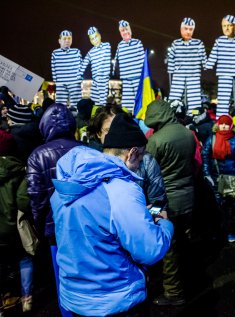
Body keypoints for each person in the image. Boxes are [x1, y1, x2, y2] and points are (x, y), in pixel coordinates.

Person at [50, 113, 173, 316]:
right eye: (140, 158)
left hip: (75, 296)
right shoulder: (121, 189)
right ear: (132, 153)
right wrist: (165, 225)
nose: (140, 164)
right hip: (115, 297)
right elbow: (150, 249)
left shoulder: (65, 185)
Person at [26, 103, 81, 317]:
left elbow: (36, 199)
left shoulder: (37, 155)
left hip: (55, 230)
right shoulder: (86, 150)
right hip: (85, 225)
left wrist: (41, 228)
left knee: (63, 281)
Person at [145, 100, 196, 306]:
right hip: (189, 195)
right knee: (185, 240)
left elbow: (148, 172)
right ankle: (189, 281)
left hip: (164, 201)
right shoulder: (187, 133)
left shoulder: (155, 140)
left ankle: (174, 292)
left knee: (168, 247)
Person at [0, 130, 34, 313]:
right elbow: (23, 201)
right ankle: (26, 297)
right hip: (14, 229)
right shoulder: (19, 170)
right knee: (24, 259)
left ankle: (4, 299)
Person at [202, 115, 235, 242]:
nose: (223, 126)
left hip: (230, 178)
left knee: (229, 207)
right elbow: (205, 158)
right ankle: (219, 231)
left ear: (230, 125)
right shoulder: (211, 139)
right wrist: (207, 174)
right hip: (215, 177)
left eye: (226, 124)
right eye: (221, 124)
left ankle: (229, 231)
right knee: (217, 206)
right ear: (218, 124)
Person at [205, 15, 235, 117]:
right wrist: (208, 65)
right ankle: (221, 121)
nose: (226, 28)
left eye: (229, 25)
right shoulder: (219, 41)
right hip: (224, 73)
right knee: (223, 100)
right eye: (224, 26)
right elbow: (214, 54)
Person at [167, 18, 206, 114]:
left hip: (193, 74)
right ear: (181, 29)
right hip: (178, 74)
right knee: (174, 98)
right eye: (186, 28)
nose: (188, 31)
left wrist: (206, 65)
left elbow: (203, 57)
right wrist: (171, 70)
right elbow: (171, 58)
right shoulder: (176, 43)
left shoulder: (198, 43)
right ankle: (173, 115)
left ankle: (193, 118)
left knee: (195, 99)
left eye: (190, 29)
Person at [114, 20, 144, 111]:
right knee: (127, 104)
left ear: (130, 30)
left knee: (140, 101)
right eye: (122, 30)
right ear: (120, 32)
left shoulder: (137, 43)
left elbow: (143, 61)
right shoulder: (120, 45)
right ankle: (128, 120)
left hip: (137, 78)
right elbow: (115, 61)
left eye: (126, 29)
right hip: (126, 79)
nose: (125, 32)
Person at [78, 26, 111, 106]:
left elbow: (104, 60)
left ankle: (102, 116)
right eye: (92, 39)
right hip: (95, 80)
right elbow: (84, 64)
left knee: (102, 102)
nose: (95, 40)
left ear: (99, 35)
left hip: (103, 79)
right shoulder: (91, 52)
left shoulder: (106, 46)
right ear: (90, 41)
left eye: (96, 36)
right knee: (94, 102)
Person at [51, 30, 82, 106]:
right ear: (59, 41)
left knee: (76, 103)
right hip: (61, 82)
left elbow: (81, 66)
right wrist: (55, 80)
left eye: (69, 38)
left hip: (74, 82)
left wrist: (79, 78)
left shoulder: (76, 51)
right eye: (65, 38)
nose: (67, 40)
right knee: (60, 104)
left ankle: (76, 117)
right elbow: (53, 67)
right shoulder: (55, 53)